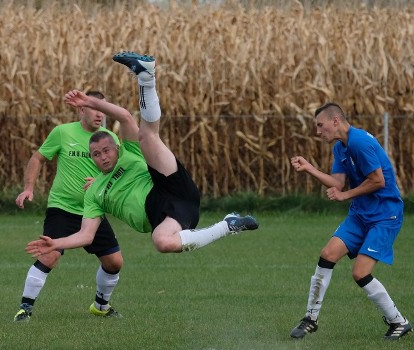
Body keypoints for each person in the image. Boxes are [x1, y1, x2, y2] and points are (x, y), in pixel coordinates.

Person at [26, 51, 258, 260]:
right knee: (162, 242)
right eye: (96, 154)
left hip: (170, 184)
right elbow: (86, 236)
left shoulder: (128, 153)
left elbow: (126, 117)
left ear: (117, 147)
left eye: (107, 150)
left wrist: (90, 102)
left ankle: (146, 76)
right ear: (92, 158)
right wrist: (55, 242)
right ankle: (229, 225)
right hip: (168, 215)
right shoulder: (95, 192)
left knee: (147, 137)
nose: (103, 157)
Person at [289, 102, 412, 340]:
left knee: (359, 273)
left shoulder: (360, 142)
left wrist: (345, 195)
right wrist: (310, 169)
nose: (318, 131)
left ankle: (398, 321)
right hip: (360, 214)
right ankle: (310, 319)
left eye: (320, 125)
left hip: (385, 215)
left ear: (335, 121)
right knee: (327, 254)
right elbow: (337, 183)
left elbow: (378, 181)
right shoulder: (340, 148)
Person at [13, 91, 125, 321]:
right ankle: (25, 308)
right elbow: (37, 158)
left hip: (92, 210)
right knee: (50, 254)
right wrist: (29, 188)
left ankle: (100, 306)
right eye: (95, 108)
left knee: (114, 262)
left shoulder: (108, 139)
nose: (99, 115)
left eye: (103, 110)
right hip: (62, 208)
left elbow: (119, 171)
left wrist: (101, 182)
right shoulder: (63, 132)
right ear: (81, 109)